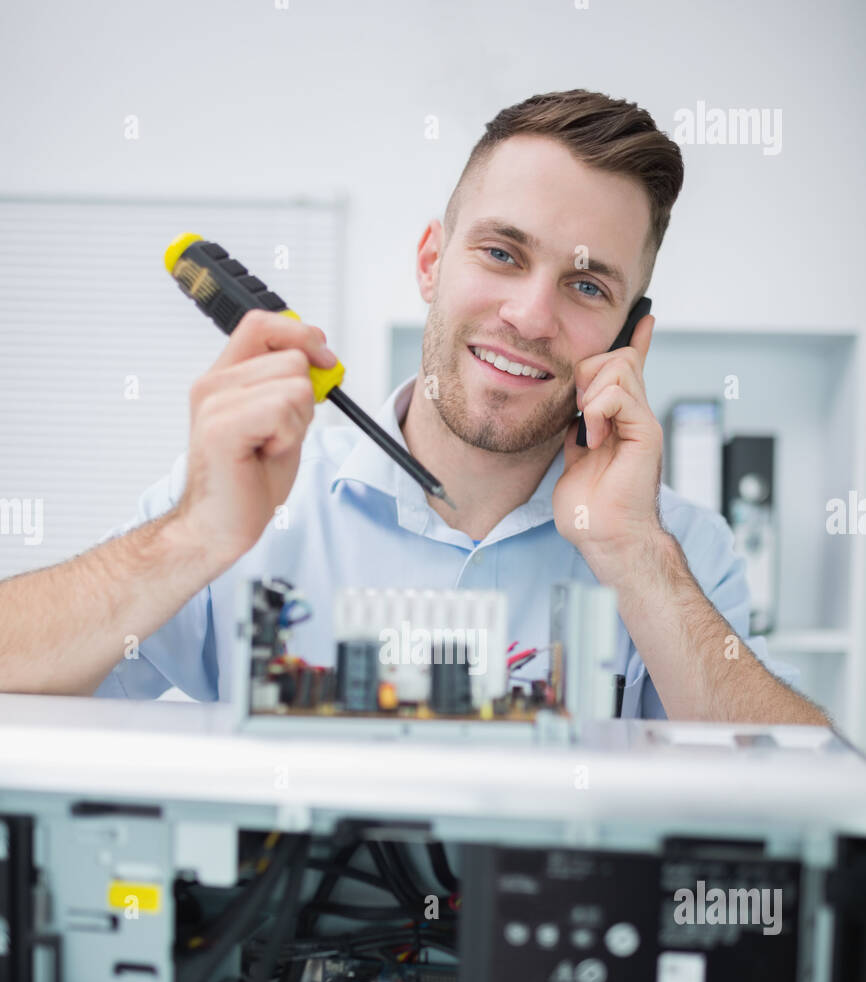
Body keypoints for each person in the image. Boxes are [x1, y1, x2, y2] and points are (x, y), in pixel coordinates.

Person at [0, 89, 829, 724]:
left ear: (631, 335)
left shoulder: (675, 547)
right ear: (432, 262)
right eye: (501, 253)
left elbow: (805, 801)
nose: (530, 317)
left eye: (586, 285)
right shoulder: (249, 504)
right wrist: (192, 537)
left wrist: (633, 554)